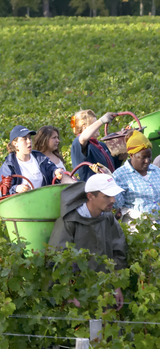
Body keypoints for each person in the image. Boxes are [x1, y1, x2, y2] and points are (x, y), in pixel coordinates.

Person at [48, 174, 127, 310]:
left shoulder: (108, 218)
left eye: (113, 195)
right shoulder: (69, 222)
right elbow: (57, 259)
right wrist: (68, 293)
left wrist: (117, 285)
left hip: (105, 292)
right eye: (107, 196)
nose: (113, 200)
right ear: (90, 196)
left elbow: (119, 252)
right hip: (77, 296)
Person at [0, 125, 63, 194]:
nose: (29, 141)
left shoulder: (40, 158)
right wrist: (16, 188)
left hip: (44, 201)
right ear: (15, 144)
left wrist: (56, 172)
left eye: (29, 138)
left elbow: (51, 170)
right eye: (24, 139)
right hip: (23, 204)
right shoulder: (9, 165)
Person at [113, 130, 160, 224]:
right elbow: (117, 204)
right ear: (131, 155)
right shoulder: (120, 176)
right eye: (143, 157)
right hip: (137, 226)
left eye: (149, 157)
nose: (147, 161)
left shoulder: (156, 171)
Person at [70, 110, 123, 182]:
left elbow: (115, 166)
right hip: (91, 191)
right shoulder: (77, 144)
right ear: (85, 128)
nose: (99, 126)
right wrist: (101, 120)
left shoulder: (102, 146)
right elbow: (82, 139)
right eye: (95, 124)